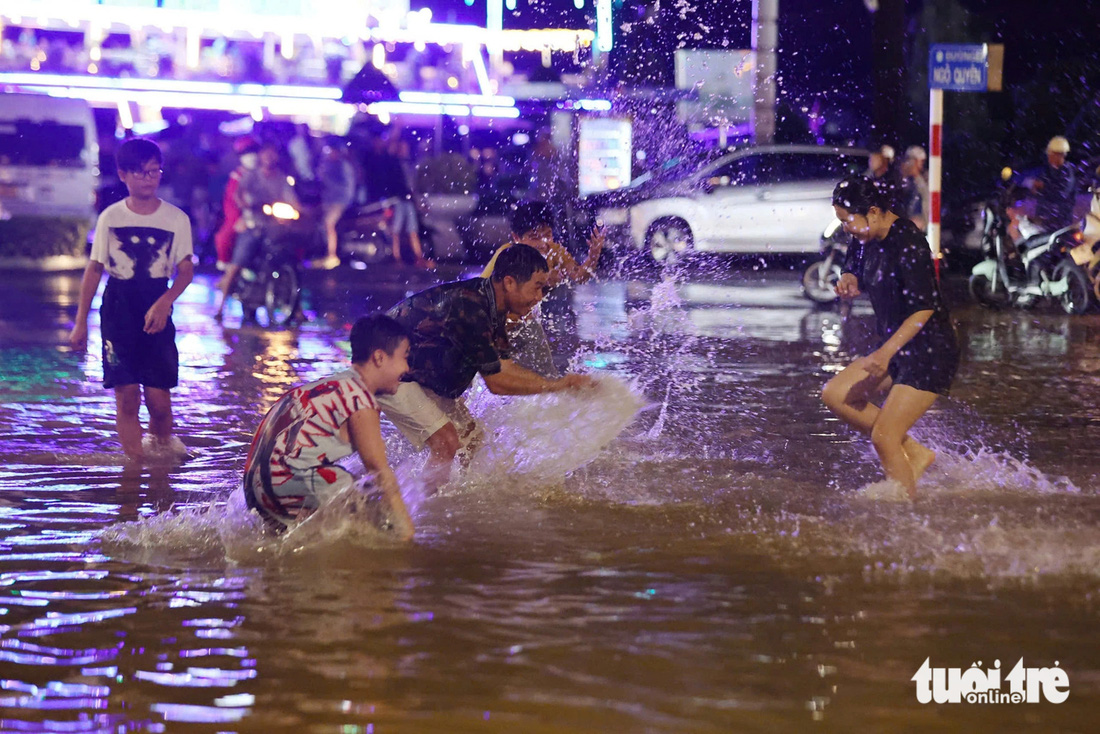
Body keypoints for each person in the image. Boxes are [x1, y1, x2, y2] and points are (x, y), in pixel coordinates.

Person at [378, 244, 597, 488]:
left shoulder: (493, 307)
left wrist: (560, 385)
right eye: (537, 287)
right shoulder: (471, 307)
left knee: (471, 438)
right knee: (448, 442)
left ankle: (447, 498)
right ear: (510, 282)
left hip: (417, 375)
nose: (540, 297)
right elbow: (497, 382)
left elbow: (505, 366)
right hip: (385, 371)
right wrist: (558, 386)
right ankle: (416, 507)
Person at [822, 176, 959, 498]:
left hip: (929, 350)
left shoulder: (909, 243)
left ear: (872, 212)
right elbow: (854, 258)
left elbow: (924, 309)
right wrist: (848, 275)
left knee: (884, 437)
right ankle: (917, 454)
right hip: (897, 347)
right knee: (836, 394)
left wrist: (884, 354)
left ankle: (904, 515)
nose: (846, 229)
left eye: (847, 220)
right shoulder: (865, 236)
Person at [68, 138, 195, 460]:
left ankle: (162, 457)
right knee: (126, 396)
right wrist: (80, 323)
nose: (148, 179)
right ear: (123, 174)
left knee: (159, 402)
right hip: (118, 307)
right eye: (140, 173)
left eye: (154, 172)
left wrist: (165, 301)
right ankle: (136, 471)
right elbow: (94, 270)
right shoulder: (111, 217)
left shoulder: (176, 219)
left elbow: (185, 271)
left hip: (156, 303)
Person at [242, 314, 415, 537]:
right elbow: (380, 471)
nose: (408, 368)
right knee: (366, 501)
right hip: (283, 483)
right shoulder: (361, 400)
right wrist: (407, 534)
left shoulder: (335, 384)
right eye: (405, 357)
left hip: (254, 488)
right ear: (380, 358)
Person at [480, 202, 605, 377]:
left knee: (547, 377)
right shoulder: (507, 256)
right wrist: (545, 281)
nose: (543, 244)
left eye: (547, 235)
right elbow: (486, 297)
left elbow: (580, 276)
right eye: (534, 237)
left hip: (525, 327)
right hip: (491, 331)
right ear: (516, 237)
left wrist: (593, 256)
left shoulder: (554, 252)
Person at [214, 140, 298, 321]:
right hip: (254, 225)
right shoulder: (250, 176)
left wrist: (299, 211)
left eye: (273, 153)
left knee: (292, 257)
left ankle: (296, 307)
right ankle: (220, 307)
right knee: (238, 262)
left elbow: (292, 199)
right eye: (266, 153)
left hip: (275, 228)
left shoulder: (281, 178)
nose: (269, 157)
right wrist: (246, 204)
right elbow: (239, 194)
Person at [363, 131, 431, 268]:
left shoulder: (403, 163)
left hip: (406, 200)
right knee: (398, 229)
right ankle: (397, 257)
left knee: (409, 230)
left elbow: (410, 185)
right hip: (398, 200)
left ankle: (415, 257)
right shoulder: (394, 162)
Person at [212, 136, 259, 271]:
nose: (251, 156)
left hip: (262, 214)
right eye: (246, 153)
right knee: (226, 235)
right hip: (241, 215)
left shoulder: (263, 173)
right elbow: (233, 201)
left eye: (253, 151)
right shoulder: (237, 176)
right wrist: (239, 218)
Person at [315, 136, 357, 270]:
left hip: (339, 202)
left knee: (329, 224)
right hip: (328, 201)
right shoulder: (327, 164)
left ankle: (332, 256)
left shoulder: (343, 165)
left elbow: (347, 187)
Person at [1031, 135, 1077, 232]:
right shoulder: (1048, 170)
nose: (1049, 156)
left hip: (1059, 222)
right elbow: (1040, 188)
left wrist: (1043, 186)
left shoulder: (1067, 172)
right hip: (1044, 220)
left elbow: (1061, 194)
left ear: (1060, 155)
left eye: (1051, 154)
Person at [898, 145, 930, 232]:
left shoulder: (926, 177)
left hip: (923, 222)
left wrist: (916, 176)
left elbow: (926, 195)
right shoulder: (902, 178)